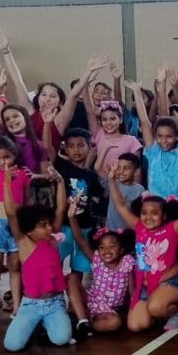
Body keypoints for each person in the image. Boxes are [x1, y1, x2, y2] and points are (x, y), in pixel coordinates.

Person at [110, 168, 178, 332]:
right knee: (135, 326)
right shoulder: (138, 227)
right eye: (144, 213)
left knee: (156, 307)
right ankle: (156, 306)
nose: (148, 217)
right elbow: (120, 205)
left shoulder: (173, 229)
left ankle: (176, 307)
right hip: (145, 287)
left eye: (154, 213)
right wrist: (112, 181)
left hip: (168, 282)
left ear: (164, 216)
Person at [1, 166, 72, 351]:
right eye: (43, 226)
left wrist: (60, 182)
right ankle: (34, 323)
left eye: (49, 224)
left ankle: (46, 324)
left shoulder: (53, 239)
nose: (49, 228)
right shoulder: (25, 243)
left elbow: (60, 210)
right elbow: (10, 213)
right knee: (12, 345)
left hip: (55, 303)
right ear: (30, 230)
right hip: (31, 304)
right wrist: (7, 182)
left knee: (61, 339)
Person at [55, 127, 107, 334]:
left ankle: (73, 301)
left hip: (85, 228)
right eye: (71, 146)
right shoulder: (61, 169)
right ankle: (56, 297)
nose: (76, 150)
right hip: (65, 227)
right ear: (65, 149)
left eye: (81, 145)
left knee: (78, 268)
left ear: (89, 148)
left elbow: (98, 202)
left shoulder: (91, 176)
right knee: (57, 262)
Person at [0, 119, 31, 329]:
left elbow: (27, 201)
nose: (2, 161)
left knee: (15, 267)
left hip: (16, 226)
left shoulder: (23, 175)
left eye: (7, 157)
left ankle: (18, 306)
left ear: (15, 156)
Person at [67, 198, 137, 335]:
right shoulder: (97, 259)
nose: (107, 251)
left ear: (121, 249)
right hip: (90, 301)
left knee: (114, 322)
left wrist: (136, 310)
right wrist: (72, 217)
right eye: (102, 247)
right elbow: (80, 239)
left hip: (108, 311)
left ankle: (86, 327)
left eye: (112, 246)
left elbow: (132, 291)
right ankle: (82, 321)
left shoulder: (127, 262)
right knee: (71, 278)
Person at [99, 152, 145, 232]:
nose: (121, 171)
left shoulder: (140, 190)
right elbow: (97, 168)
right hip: (111, 230)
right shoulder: (113, 183)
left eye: (126, 168)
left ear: (135, 171)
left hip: (128, 232)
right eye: (119, 167)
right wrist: (106, 148)